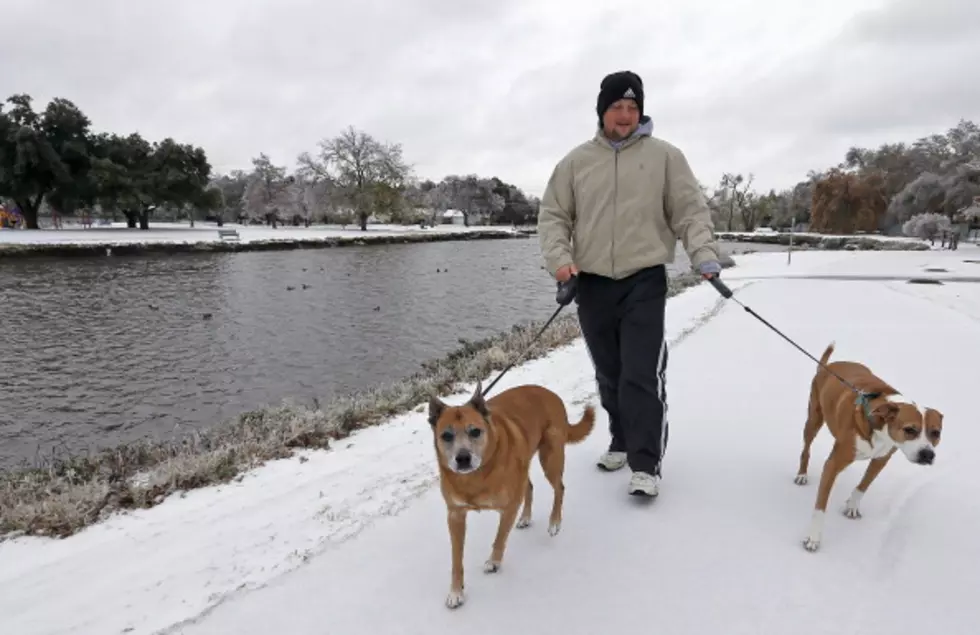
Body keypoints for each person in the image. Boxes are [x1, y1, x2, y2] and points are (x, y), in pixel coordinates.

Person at [537, 70, 722, 498]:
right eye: (617, 107)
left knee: (641, 373)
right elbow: (553, 217)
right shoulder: (576, 162)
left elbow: (690, 212)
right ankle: (620, 439)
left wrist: (704, 255)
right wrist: (562, 264)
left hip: (644, 279)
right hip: (592, 283)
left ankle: (645, 462)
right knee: (609, 372)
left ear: (641, 111)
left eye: (632, 107)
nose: (625, 115)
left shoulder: (665, 157)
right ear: (602, 112)